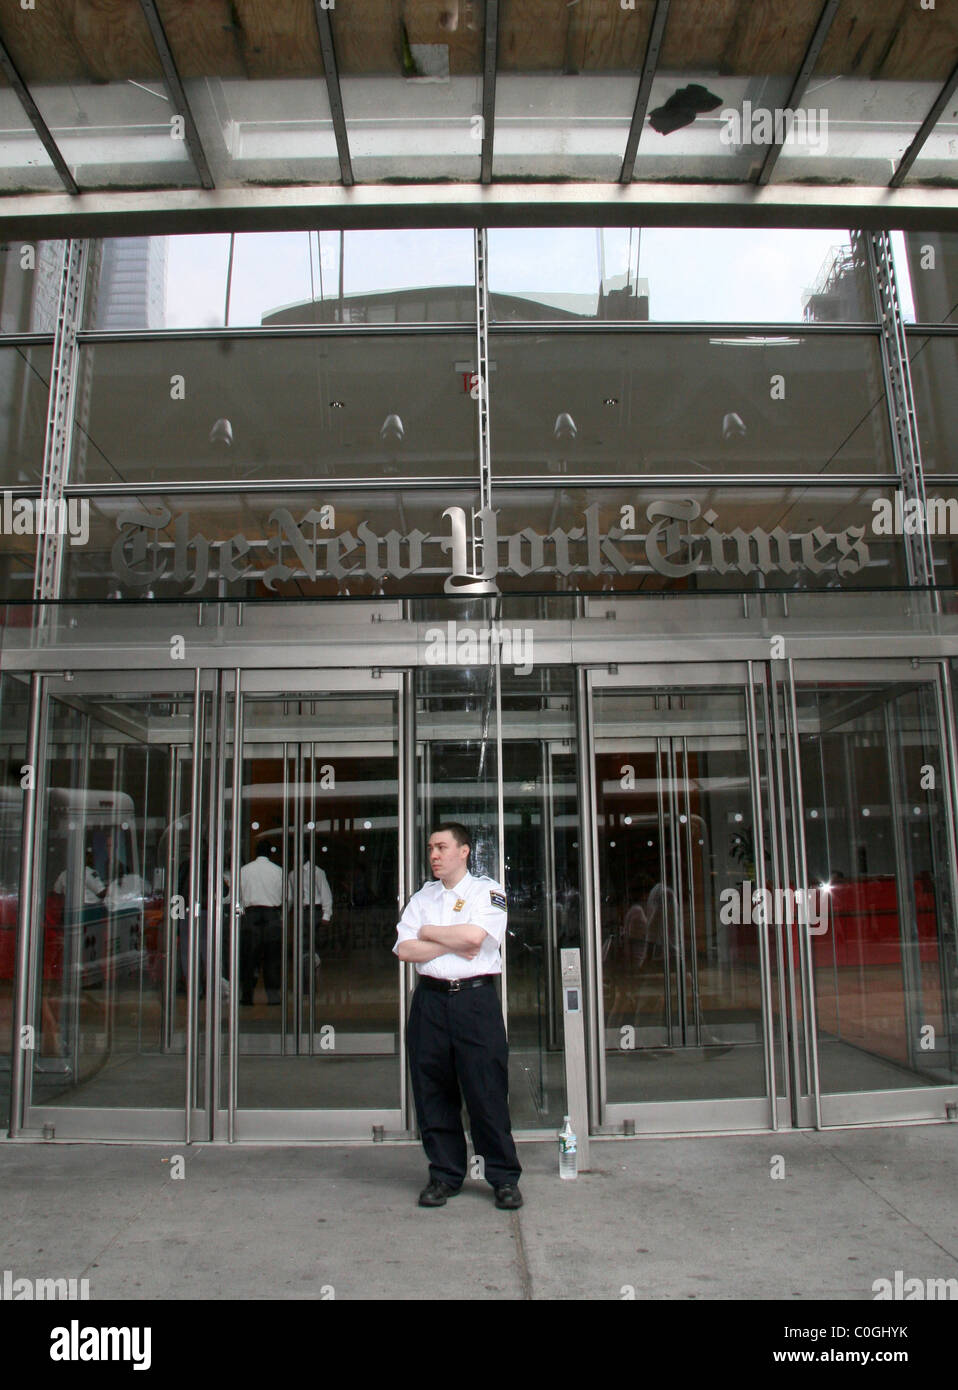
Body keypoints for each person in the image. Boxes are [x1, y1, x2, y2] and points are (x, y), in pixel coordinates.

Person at [393, 822, 522, 1211]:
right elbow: (404, 950)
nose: (434, 855)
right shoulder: (422, 897)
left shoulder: (488, 891)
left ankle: (503, 1178)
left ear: (464, 851)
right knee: (433, 1092)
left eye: (442, 847)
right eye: (431, 848)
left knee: (486, 1091)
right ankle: (445, 1175)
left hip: (475, 1003)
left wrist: (429, 933)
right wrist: (447, 941)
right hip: (429, 1003)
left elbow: (475, 940)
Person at [239, 842, 284, 1005]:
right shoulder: (278, 871)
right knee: (272, 959)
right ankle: (273, 997)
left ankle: (247, 996)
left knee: (249, 959)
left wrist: (241, 914)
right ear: (270, 854)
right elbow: (287, 897)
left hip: (251, 915)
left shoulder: (244, 871)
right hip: (272, 914)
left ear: (255, 852)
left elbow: (237, 897)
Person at [288, 846, 332, 989]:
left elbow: (325, 893)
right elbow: (291, 897)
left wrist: (326, 914)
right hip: (300, 911)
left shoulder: (317, 872)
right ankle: (305, 980)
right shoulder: (292, 874)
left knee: (311, 945)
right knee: (302, 946)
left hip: (314, 911)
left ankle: (310, 979)